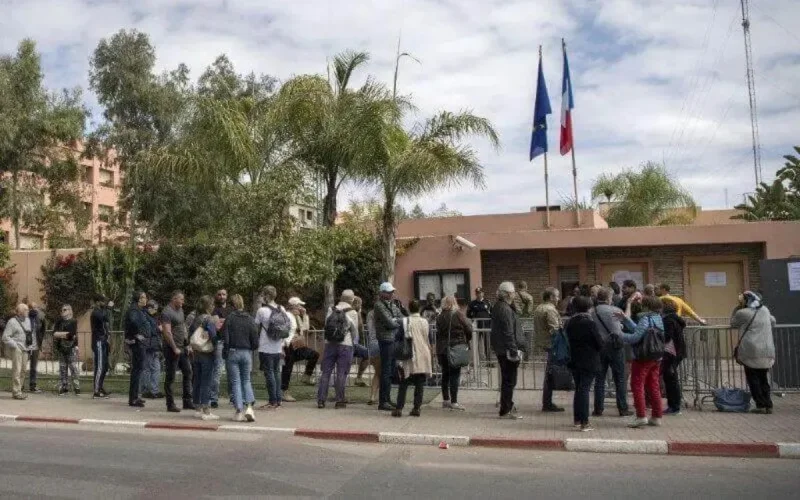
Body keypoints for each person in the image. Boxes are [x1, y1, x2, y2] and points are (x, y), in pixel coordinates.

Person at [617, 294, 665, 428]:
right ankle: (656, 416)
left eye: (642, 303)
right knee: (654, 386)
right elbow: (640, 330)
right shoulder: (658, 318)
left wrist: (620, 335)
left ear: (647, 306)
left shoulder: (646, 318)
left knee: (637, 385)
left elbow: (635, 337)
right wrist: (626, 319)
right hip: (656, 357)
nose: (641, 305)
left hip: (643, 357)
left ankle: (641, 416)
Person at [731, 291, 776, 414]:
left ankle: (760, 405)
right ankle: (768, 404)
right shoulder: (765, 310)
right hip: (767, 349)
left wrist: (737, 308)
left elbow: (733, 323)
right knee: (763, 378)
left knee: (753, 379)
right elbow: (773, 321)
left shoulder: (742, 313)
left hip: (751, 350)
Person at [566, 296, 604, 432]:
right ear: (589, 308)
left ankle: (577, 419)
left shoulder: (570, 322)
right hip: (589, 360)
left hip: (574, 359)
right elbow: (599, 343)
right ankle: (584, 422)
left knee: (579, 388)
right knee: (584, 389)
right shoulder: (589, 323)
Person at [591, 287, 631, 417]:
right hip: (615, 346)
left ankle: (598, 409)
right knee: (619, 378)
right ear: (609, 298)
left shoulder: (592, 311)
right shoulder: (615, 310)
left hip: (599, 346)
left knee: (599, 379)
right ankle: (622, 408)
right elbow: (625, 321)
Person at [318, 290, 359, 409]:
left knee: (326, 372)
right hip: (345, 345)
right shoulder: (352, 312)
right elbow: (354, 331)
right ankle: (340, 400)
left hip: (330, 344)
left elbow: (327, 325)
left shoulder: (331, 309)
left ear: (341, 297)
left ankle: (321, 400)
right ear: (351, 300)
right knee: (342, 373)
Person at [392, 300, 433, 418]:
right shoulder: (425, 322)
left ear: (409, 309)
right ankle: (416, 408)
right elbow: (429, 339)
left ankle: (399, 408)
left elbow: (398, 338)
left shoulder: (403, 321)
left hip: (409, 354)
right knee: (420, 383)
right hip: (423, 353)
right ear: (419, 308)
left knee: (404, 382)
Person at [222, 294, 258, 422]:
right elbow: (255, 337)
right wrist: (251, 347)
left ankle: (238, 410)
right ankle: (249, 407)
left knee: (236, 382)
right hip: (246, 352)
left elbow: (225, 337)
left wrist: (225, 352)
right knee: (246, 380)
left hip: (233, 351)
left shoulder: (230, 318)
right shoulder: (249, 318)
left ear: (232, 305)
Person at [491, 282, 523, 419]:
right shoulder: (504, 309)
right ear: (509, 294)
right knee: (509, 380)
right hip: (506, 349)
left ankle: (508, 405)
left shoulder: (501, 306)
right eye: (514, 292)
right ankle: (506, 409)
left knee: (508, 379)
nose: (515, 294)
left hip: (502, 348)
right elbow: (508, 331)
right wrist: (514, 350)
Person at [255, 286, 291, 410]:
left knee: (269, 373)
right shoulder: (282, 309)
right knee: (276, 373)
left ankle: (272, 401)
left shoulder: (262, 311)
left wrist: (259, 304)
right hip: (277, 347)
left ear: (266, 296)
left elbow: (256, 325)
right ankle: (278, 400)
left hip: (265, 346)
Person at [435, 295, 472, 411]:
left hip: (442, 349)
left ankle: (446, 400)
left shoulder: (440, 316)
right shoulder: (458, 314)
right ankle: (454, 402)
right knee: (455, 375)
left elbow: (438, 333)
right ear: (454, 302)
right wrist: (467, 340)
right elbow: (468, 328)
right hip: (455, 347)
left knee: (445, 374)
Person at [533, 287, 565, 413]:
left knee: (549, 374)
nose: (558, 298)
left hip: (544, 344)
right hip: (552, 345)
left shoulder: (539, 307)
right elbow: (555, 330)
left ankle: (547, 402)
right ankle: (547, 403)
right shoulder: (550, 310)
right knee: (550, 375)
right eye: (557, 296)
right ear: (551, 297)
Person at [282, 297, 320, 402]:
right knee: (287, 369)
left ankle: (306, 376)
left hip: (297, 345)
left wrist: (305, 315)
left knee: (314, 355)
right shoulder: (287, 316)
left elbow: (305, 328)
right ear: (294, 306)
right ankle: (284, 392)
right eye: (299, 305)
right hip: (288, 345)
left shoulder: (297, 316)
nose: (301, 307)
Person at [161, 291, 194, 412]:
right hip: (172, 348)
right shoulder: (167, 312)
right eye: (181, 299)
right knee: (171, 376)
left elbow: (183, 328)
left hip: (182, 347)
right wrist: (174, 347)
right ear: (174, 299)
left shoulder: (180, 310)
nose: (183, 302)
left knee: (188, 372)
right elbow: (167, 332)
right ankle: (170, 404)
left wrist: (187, 344)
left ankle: (187, 401)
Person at [188, 295, 220, 420]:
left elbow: (190, 333)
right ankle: (206, 410)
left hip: (196, 353)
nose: (213, 307)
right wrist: (217, 341)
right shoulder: (209, 319)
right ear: (208, 306)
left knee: (197, 380)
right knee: (207, 381)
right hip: (207, 353)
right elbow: (213, 336)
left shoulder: (196, 318)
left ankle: (197, 407)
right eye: (212, 305)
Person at [373, 282, 403, 411]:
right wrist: (395, 321)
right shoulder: (379, 305)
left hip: (393, 338)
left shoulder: (392, 304)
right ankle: (383, 401)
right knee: (386, 370)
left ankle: (387, 398)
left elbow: (401, 318)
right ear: (382, 293)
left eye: (392, 292)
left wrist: (395, 320)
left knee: (390, 370)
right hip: (385, 339)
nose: (391, 294)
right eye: (389, 292)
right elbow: (390, 322)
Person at [2, 303, 34, 400]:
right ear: (20, 312)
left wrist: (31, 347)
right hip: (17, 348)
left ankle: (18, 389)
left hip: (26, 348)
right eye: (26, 310)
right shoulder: (12, 322)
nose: (28, 311)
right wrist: (15, 346)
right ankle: (17, 392)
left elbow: (29, 335)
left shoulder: (28, 320)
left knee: (23, 370)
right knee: (17, 369)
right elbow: (5, 337)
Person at [124, 291, 150, 408]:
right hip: (137, 344)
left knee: (138, 370)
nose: (145, 299)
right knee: (137, 370)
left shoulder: (139, 310)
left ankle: (135, 396)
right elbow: (134, 322)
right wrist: (137, 334)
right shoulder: (134, 310)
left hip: (139, 343)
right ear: (138, 299)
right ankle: (133, 399)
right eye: (143, 297)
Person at [208, 289, 232, 409]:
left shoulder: (231, 309)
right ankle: (213, 398)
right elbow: (215, 325)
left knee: (231, 371)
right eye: (219, 294)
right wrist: (223, 321)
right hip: (219, 342)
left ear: (227, 296)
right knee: (217, 371)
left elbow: (229, 323)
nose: (221, 296)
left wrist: (223, 321)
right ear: (216, 296)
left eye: (223, 294)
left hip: (231, 343)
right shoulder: (213, 309)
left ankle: (233, 397)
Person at [661, 300, 686, 415]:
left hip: (670, 353)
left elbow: (667, 337)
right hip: (678, 352)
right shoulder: (676, 319)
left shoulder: (668, 320)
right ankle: (674, 405)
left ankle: (674, 406)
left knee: (670, 379)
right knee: (672, 378)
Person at [53, 304, 80, 396]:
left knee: (73, 367)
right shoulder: (59, 321)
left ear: (69, 311)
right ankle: (64, 387)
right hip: (61, 347)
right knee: (62, 368)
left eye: (64, 310)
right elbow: (54, 333)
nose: (62, 312)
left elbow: (71, 335)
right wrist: (64, 335)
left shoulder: (73, 321)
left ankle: (76, 387)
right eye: (62, 310)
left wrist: (60, 334)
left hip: (71, 347)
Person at [22, 298, 46, 394]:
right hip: (25, 346)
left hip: (35, 346)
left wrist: (40, 340)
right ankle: (20, 385)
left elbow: (43, 329)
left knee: (33, 367)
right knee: (22, 366)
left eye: (35, 307)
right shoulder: (25, 317)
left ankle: (33, 385)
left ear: (37, 308)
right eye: (31, 307)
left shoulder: (40, 317)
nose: (33, 309)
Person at [90, 294, 112, 399]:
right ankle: (96, 391)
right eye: (103, 301)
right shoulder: (95, 313)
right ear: (97, 302)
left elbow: (106, 323)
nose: (104, 303)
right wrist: (108, 308)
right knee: (99, 366)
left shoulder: (102, 312)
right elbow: (105, 317)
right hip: (98, 341)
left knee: (105, 366)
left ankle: (100, 386)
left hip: (104, 340)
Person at [140, 300, 164, 399]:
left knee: (156, 368)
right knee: (147, 369)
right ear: (149, 308)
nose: (156, 311)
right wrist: (158, 329)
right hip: (148, 346)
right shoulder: (144, 316)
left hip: (154, 346)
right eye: (154, 309)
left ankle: (154, 390)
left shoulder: (154, 317)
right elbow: (149, 330)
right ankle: (145, 390)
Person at [467, 287, 492, 360]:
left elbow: (491, 313)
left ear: (483, 293)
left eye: (480, 293)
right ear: (476, 294)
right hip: (476, 326)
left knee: (487, 342)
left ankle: (488, 360)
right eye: (477, 293)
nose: (479, 294)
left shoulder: (487, 302)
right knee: (475, 343)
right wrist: (473, 318)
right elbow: (468, 314)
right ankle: (476, 360)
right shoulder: (472, 303)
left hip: (486, 325)